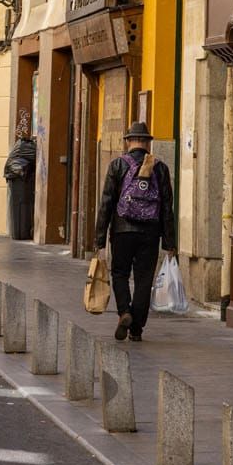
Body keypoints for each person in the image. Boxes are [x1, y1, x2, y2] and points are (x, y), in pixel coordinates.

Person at [94, 120, 176, 343]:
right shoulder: (160, 168)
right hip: (150, 232)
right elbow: (167, 208)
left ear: (128, 142)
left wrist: (99, 239)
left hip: (122, 230)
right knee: (144, 279)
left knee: (120, 273)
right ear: (147, 143)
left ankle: (124, 312)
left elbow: (106, 204)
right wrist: (170, 242)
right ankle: (137, 329)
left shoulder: (117, 165)